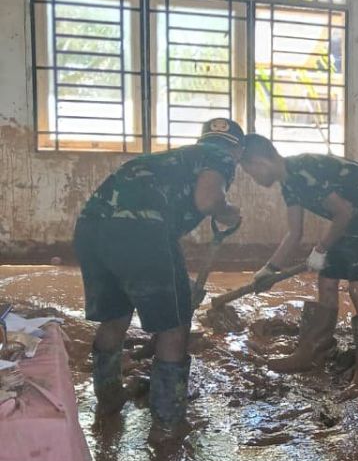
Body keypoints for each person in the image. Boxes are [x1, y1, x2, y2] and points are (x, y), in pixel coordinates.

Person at [74, 118, 243, 437]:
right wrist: (227, 211)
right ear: (238, 151)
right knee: (174, 327)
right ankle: (168, 422)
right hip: (143, 233)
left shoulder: (172, 159)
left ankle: (109, 399)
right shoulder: (221, 156)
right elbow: (207, 200)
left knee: (114, 318)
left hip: (90, 229)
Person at [239, 136, 358, 386]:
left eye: (250, 171)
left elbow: (345, 212)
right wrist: (269, 269)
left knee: (357, 290)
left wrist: (321, 249)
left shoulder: (304, 171)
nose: (253, 178)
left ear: (260, 162)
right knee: (327, 284)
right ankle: (312, 353)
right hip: (344, 223)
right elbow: (294, 232)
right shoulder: (289, 183)